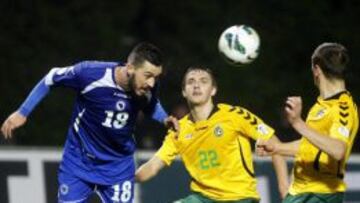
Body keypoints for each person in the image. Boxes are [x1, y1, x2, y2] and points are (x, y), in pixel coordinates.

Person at [1, 42, 178, 203]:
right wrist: (23, 111)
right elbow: (51, 78)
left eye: (156, 77)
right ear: (130, 68)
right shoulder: (90, 73)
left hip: (118, 168)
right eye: (147, 75)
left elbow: (151, 104)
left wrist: (164, 119)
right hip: (79, 163)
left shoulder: (148, 87)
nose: (152, 82)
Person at [135, 66, 289, 203]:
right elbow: (153, 166)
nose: (196, 85)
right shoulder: (178, 129)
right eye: (191, 81)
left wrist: (284, 189)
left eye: (203, 81)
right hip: (202, 198)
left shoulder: (235, 115)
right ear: (184, 92)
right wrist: (120, 177)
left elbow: (274, 143)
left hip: (240, 198)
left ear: (213, 90)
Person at [257, 42, 359, 203]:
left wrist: (298, 123)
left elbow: (338, 149)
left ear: (317, 70)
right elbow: (311, 147)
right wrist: (277, 148)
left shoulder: (343, 107)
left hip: (322, 194)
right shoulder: (320, 106)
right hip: (300, 192)